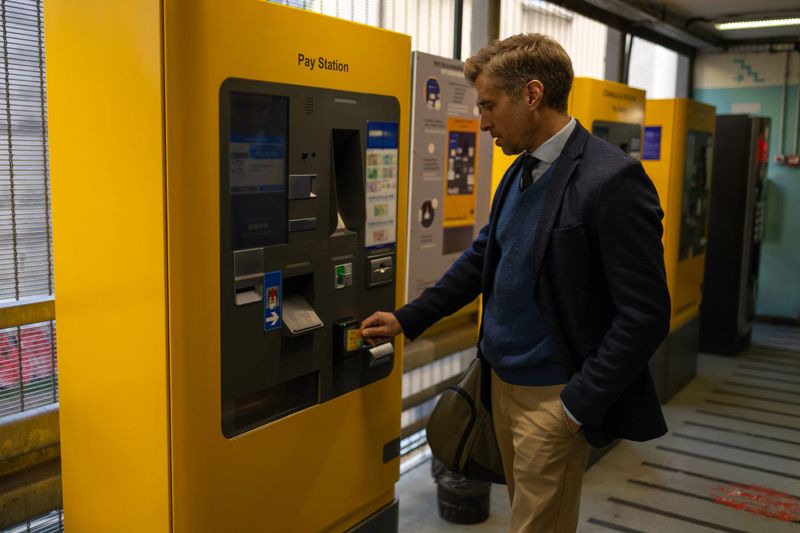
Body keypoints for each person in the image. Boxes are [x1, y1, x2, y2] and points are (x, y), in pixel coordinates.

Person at [362, 33, 670, 532]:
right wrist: (407, 317)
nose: (482, 122)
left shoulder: (611, 181)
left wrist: (575, 407)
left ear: (531, 95)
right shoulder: (521, 169)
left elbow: (645, 315)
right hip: (499, 385)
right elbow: (486, 255)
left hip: (552, 396)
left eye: (489, 105)